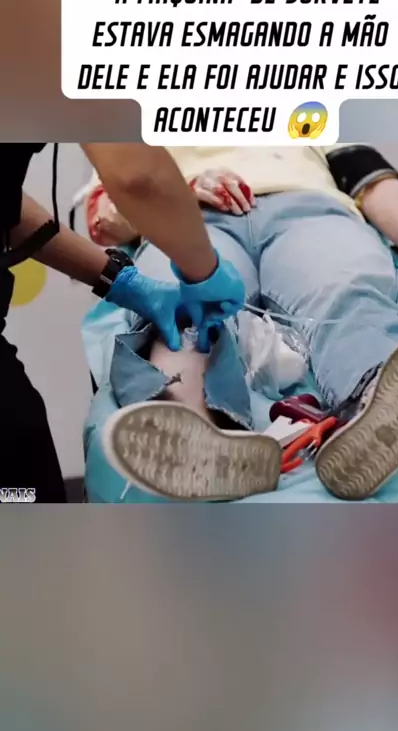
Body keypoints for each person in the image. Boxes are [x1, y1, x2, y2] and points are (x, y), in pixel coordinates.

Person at [83, 145, 398, 502]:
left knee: (346, 289)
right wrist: (177, 194)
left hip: (307, 207)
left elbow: (369, 175)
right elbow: (110, 211)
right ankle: (193, 433)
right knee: (180, 309)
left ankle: (376, 412)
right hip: (191, 216)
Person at [0, 143, 245, 502]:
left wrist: (119, 280)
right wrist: (204, 272)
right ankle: (193, 427)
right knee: (24, 495)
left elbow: (6, 203)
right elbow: (138, 175)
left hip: (303, 209)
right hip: (194, 227)